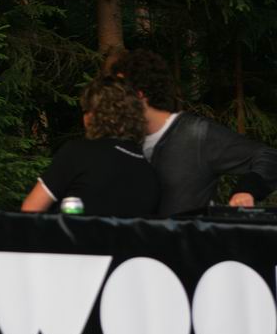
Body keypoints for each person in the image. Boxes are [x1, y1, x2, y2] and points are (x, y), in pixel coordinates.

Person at [111, 49, 277, 216]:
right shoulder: (122, 141)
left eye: (119, 93)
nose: (112, 100)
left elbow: (269, 157)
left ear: (139, 95)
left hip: (189, 233)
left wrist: (246, 190)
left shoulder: (196, 134)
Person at [21, 77, 160, 216]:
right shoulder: (149, 173)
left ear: (93, 115)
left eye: (86, 110)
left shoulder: (78, 153)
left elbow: (31, 210)